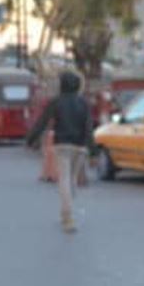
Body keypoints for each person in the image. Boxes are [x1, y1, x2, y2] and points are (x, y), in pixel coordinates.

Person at [26, 70, 93, 232]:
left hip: (62, 145)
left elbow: (42, 122)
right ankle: (66, 211)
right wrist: (93, 150)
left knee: (64, 180)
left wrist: (31, 139)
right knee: (71, 180)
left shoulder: (56, 102)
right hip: (79, 147)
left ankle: (68, 217)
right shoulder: (83, 103)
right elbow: (88, 127)